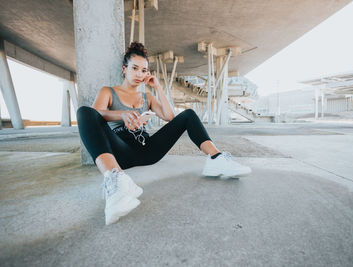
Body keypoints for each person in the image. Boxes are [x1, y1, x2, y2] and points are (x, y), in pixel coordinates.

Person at [77, 42, 251, 225]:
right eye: (135, 68)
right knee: (84, 112)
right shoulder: (109, 92)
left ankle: (216, 159)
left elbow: (169, 116)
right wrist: (122, 114)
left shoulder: (147, 97)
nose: (139, 74)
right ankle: (117, 181)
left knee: (188, 115)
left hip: (149, 150)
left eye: (144, 70)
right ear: (124, 69)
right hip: (121, 153)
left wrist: (157, 87)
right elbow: (95, 115)